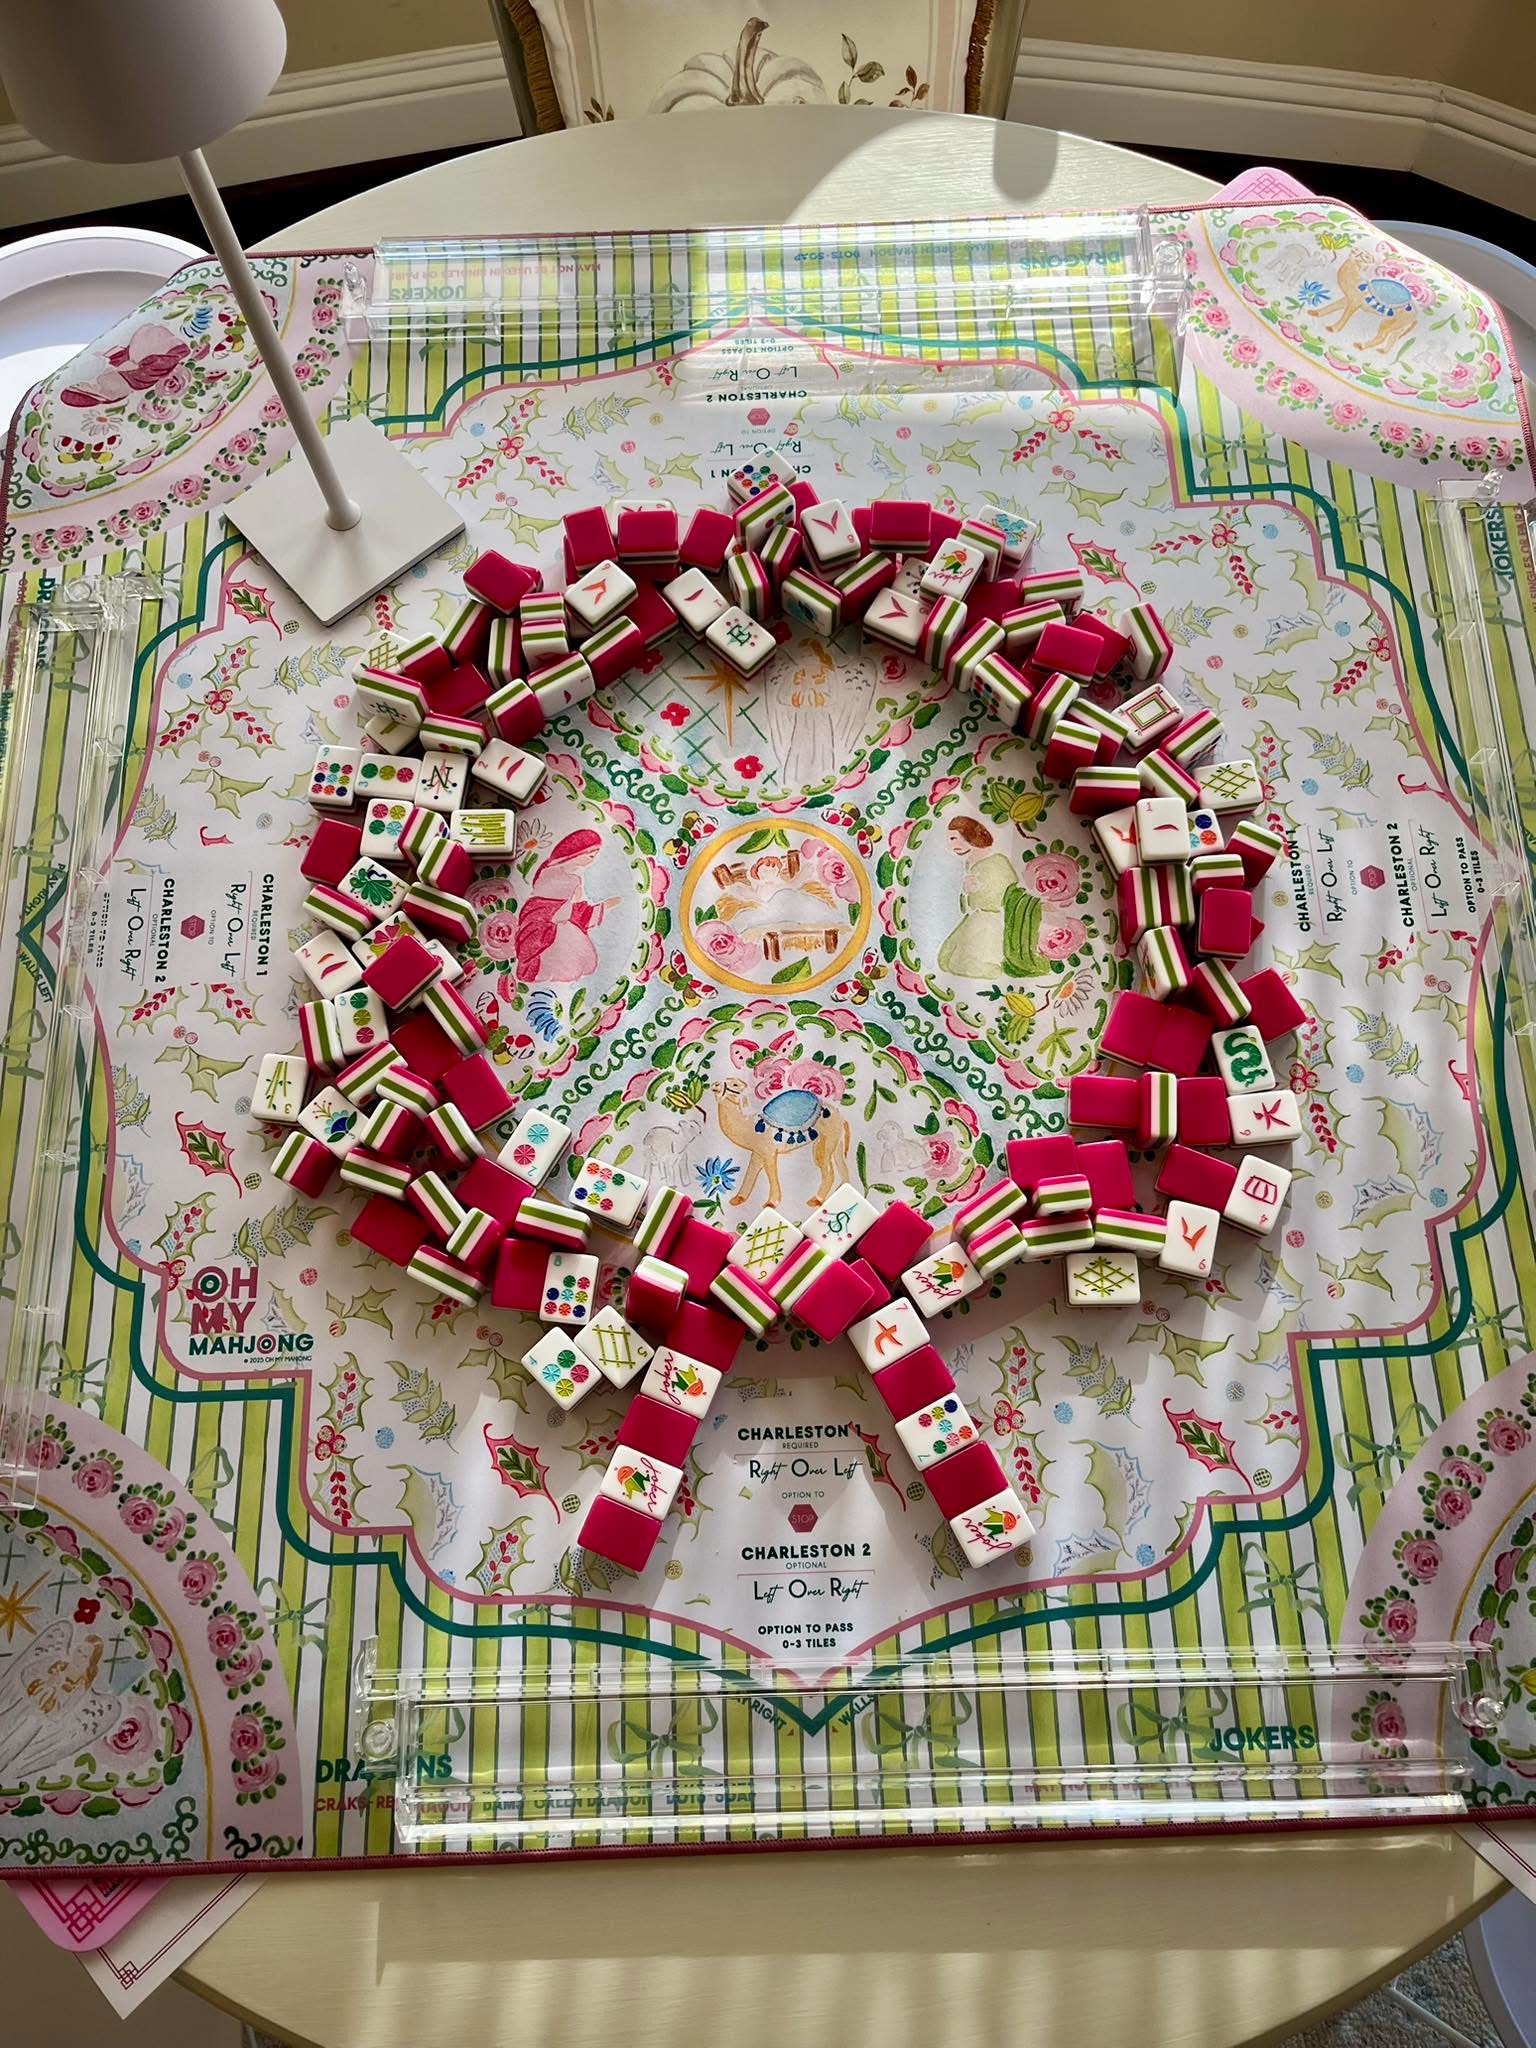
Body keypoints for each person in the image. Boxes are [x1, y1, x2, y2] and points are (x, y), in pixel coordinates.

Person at [937, 816, 1043, 979]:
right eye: (949, 840)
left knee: (959, 962)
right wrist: (966, 892)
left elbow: (1004, 895)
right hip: (976, 917)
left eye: (954, 838)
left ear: (970, 836)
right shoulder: (969, 864)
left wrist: (978, 889)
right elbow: (967, 905)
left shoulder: (997, 861)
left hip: (991, 922)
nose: (952, 846)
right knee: (945, 959)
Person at [514, 829, 617, 982]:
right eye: (590, 855)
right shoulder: (561, 880)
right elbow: (556, 910)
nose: (592, 860)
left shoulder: (564, 877)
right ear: (576, 853)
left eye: (594, 856)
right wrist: (602, 907)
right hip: (550, 932)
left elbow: (569, 911)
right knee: (565, 964)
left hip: (559, 927)